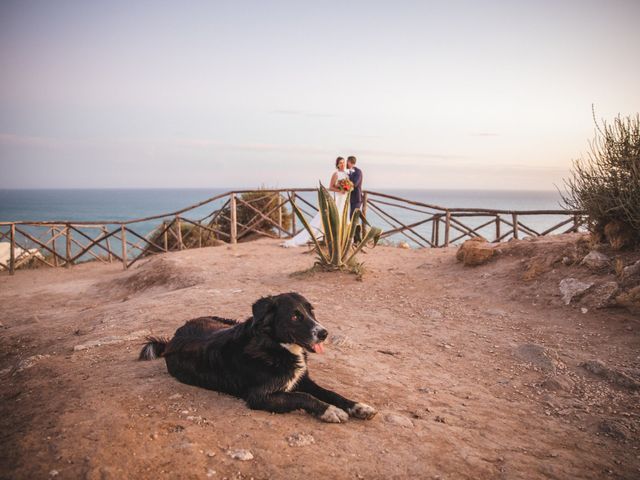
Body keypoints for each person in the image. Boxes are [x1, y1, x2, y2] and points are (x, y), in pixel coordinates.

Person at [281, 157, 350, 248]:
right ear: (337, 164)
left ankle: (339, 238)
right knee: (330, 216)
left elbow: (349, 185)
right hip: (336, 197)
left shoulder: (346, 174)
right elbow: (330, 187)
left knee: (342, 216)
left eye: (343, 162)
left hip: (344, 198)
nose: (342, 164)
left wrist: (346, 189)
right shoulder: (335, 174)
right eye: (340, 163)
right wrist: (340, 190)